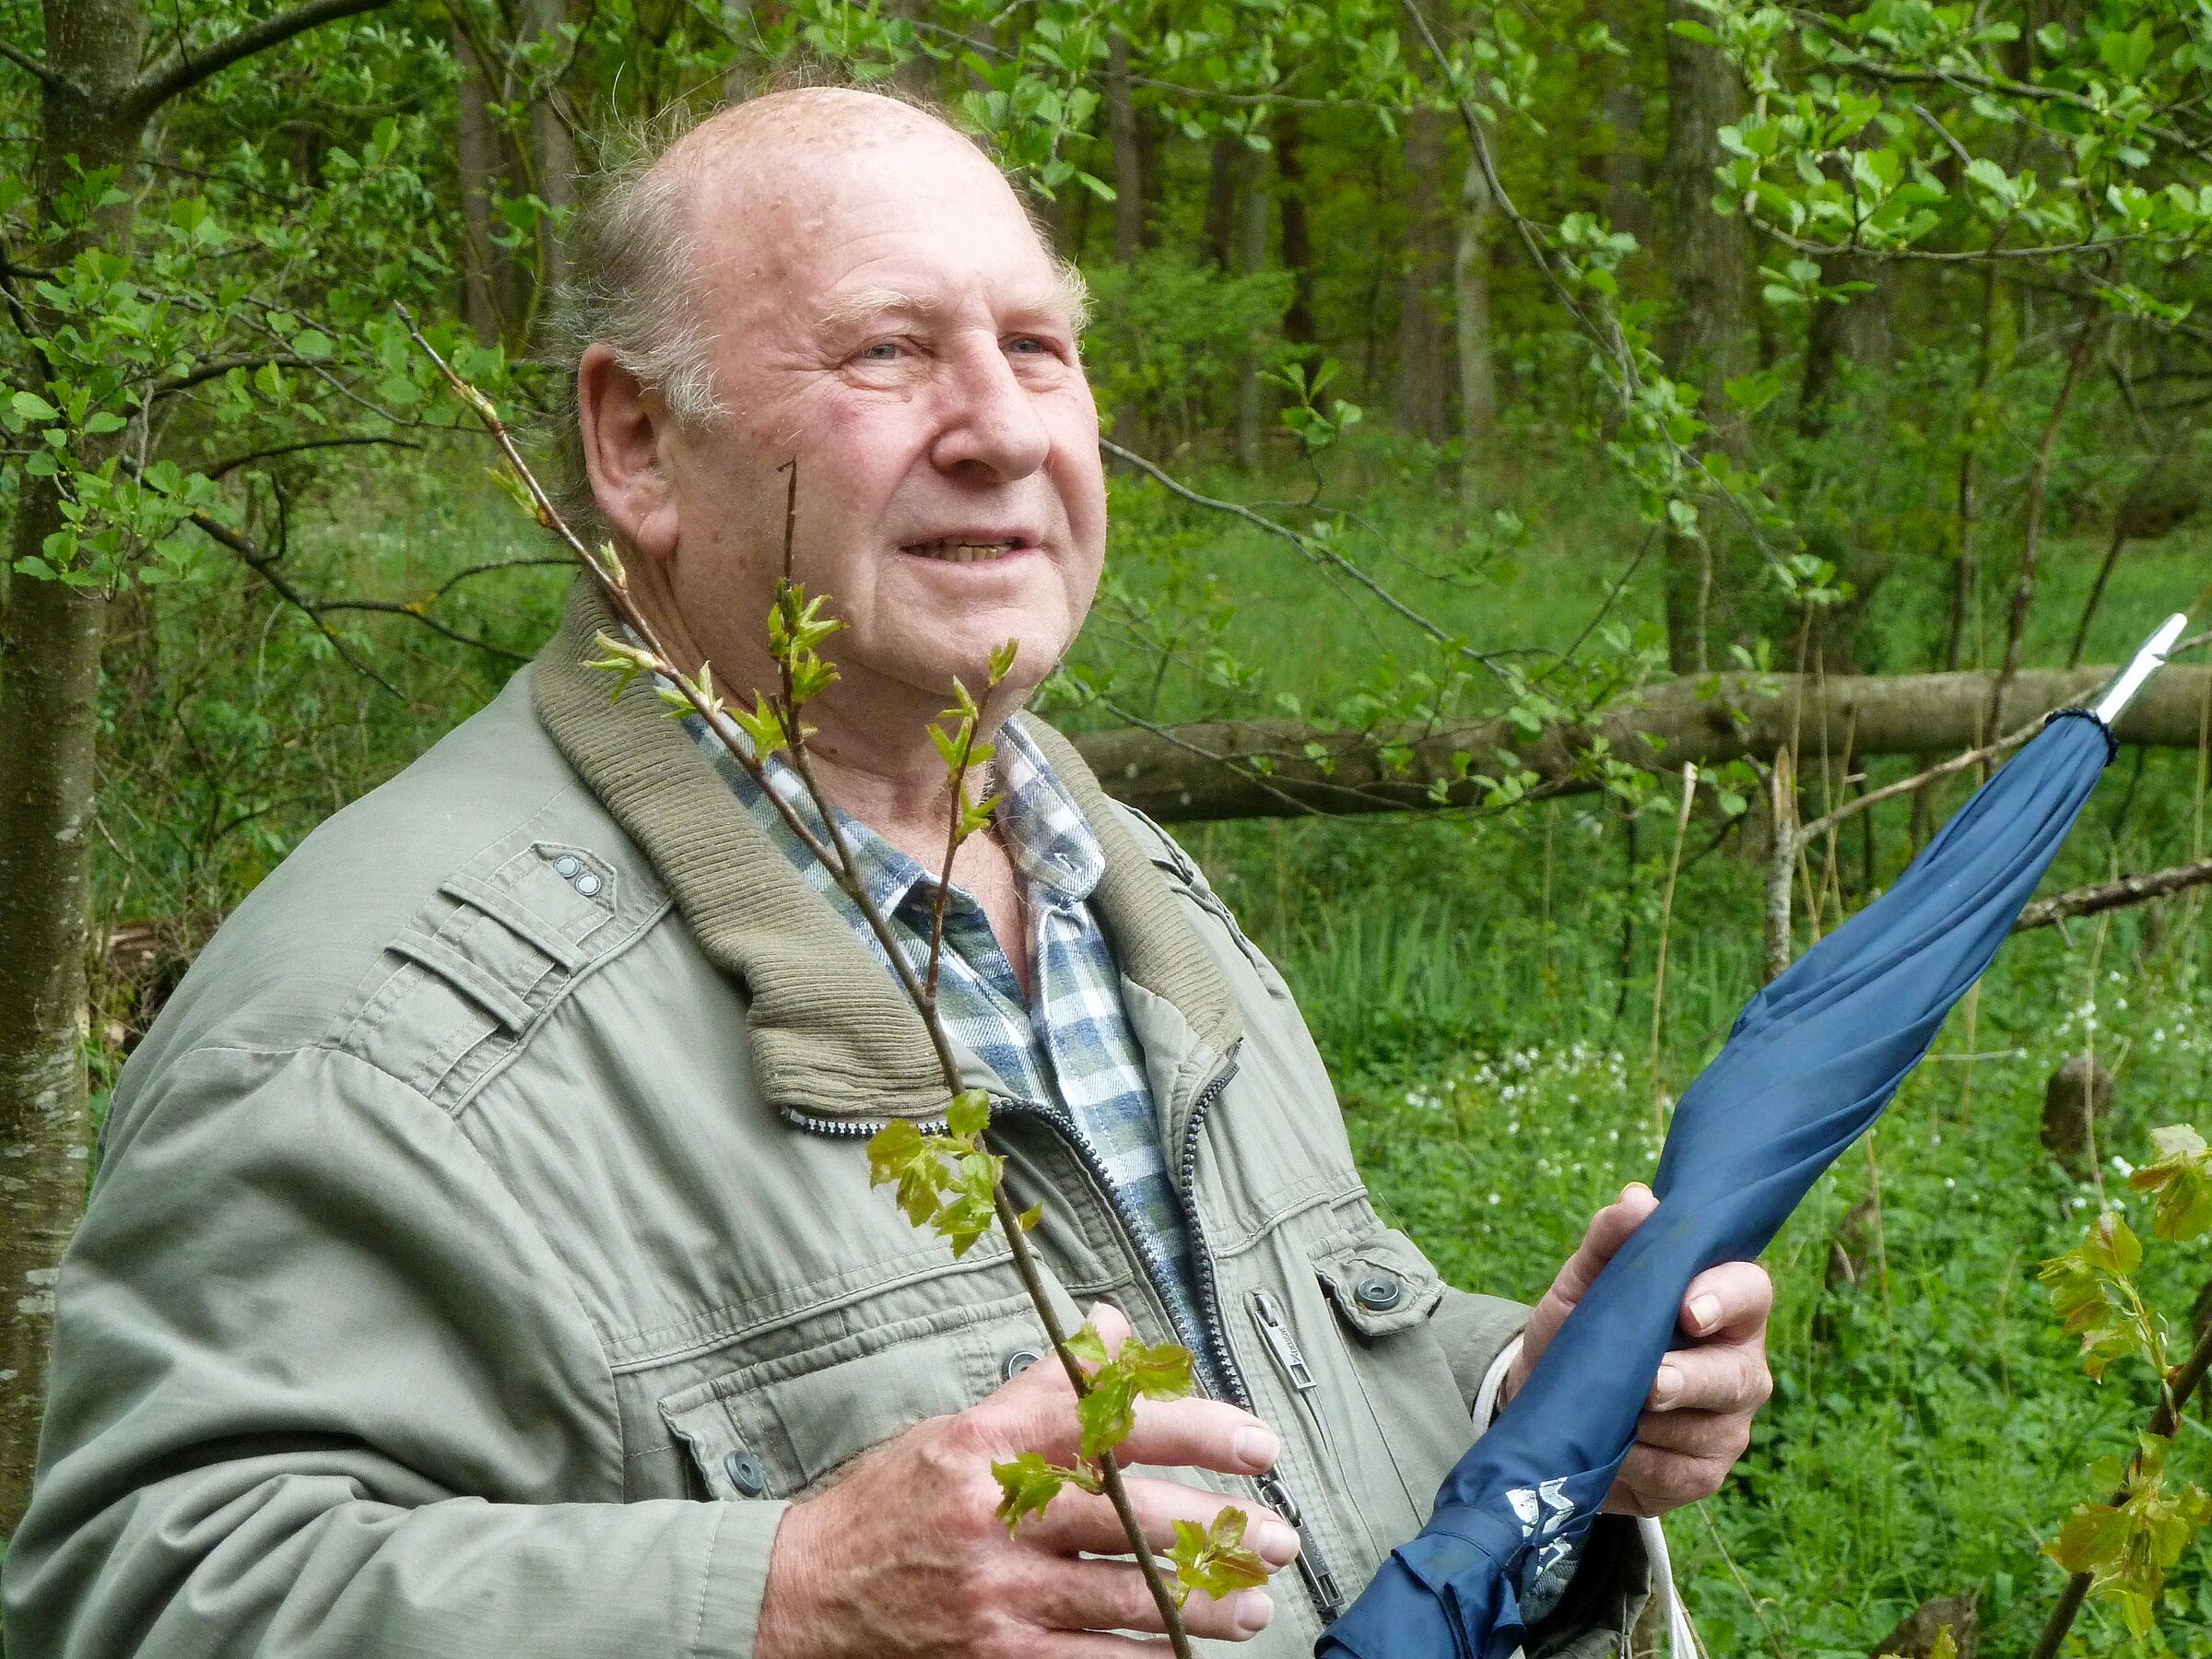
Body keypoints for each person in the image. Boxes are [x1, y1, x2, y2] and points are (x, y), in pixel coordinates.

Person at [3, 86, 1771, 1658]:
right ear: (636, 445)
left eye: (1039, 348)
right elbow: (142, 1596)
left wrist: (1520, 1401)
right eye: (887, 352)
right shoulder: (382, 1024)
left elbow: (1265, 1390)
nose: (1003, 428)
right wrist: (783, 1599)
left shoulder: (1122, 886)